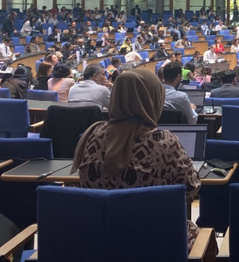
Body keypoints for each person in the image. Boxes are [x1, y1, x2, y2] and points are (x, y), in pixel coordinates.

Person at [72, 69, 200, 249]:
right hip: (153, 242)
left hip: (98, 241)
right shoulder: (165, 142)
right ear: (153, 99)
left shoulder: (91, 135)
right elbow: (191, 187)